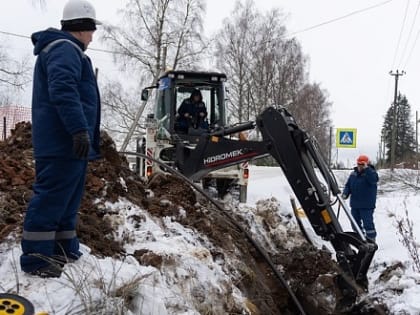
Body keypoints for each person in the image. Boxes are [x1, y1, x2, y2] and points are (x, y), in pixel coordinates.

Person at [20, 0, 102, 278]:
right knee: (52, 197)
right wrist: (79, 129)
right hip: (61, 141)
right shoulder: (64, 49)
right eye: (91, 29)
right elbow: (63, 89)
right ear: (81, 27)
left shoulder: (69, 51)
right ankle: (37, 258)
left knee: (67, 197)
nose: (92, 36)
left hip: (69, 143)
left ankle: (63, 247)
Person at [342, 154, 379, 242]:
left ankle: (371, 240)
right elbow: (348, 186)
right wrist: (345, 194)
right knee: (354, 223)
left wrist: (367, 169)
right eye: (359, 164)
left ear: (366, 164)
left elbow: (374, 180)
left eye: (362, 164)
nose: (360, 166)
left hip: (367, 205)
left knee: (368, 224)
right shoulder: (353, 174)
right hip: (355, 205)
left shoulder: (371, 173)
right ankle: (359, 239)